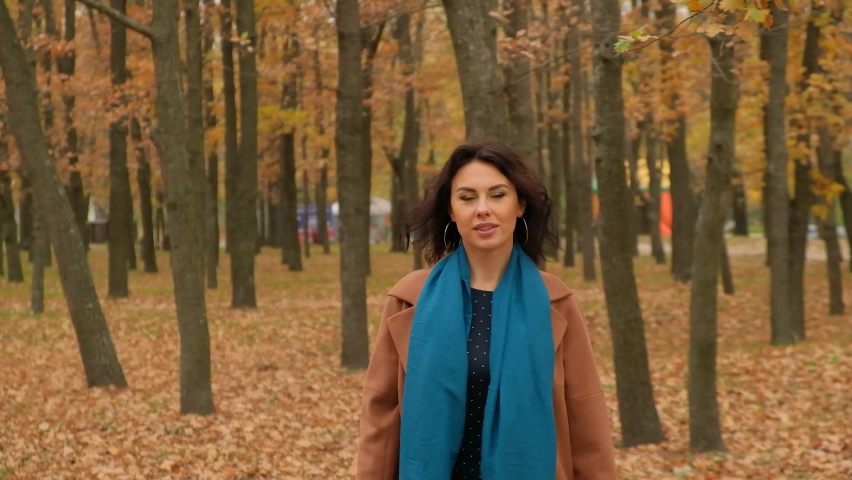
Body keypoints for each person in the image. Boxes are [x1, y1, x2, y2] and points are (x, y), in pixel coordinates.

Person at [356, 141, 617, 480]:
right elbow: (381, 421)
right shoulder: (410, 300)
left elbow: (587, 425)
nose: (482, 209)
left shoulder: (555, 303)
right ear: (451, 210)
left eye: (497, 195)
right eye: (467, 197)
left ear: (520, 205)